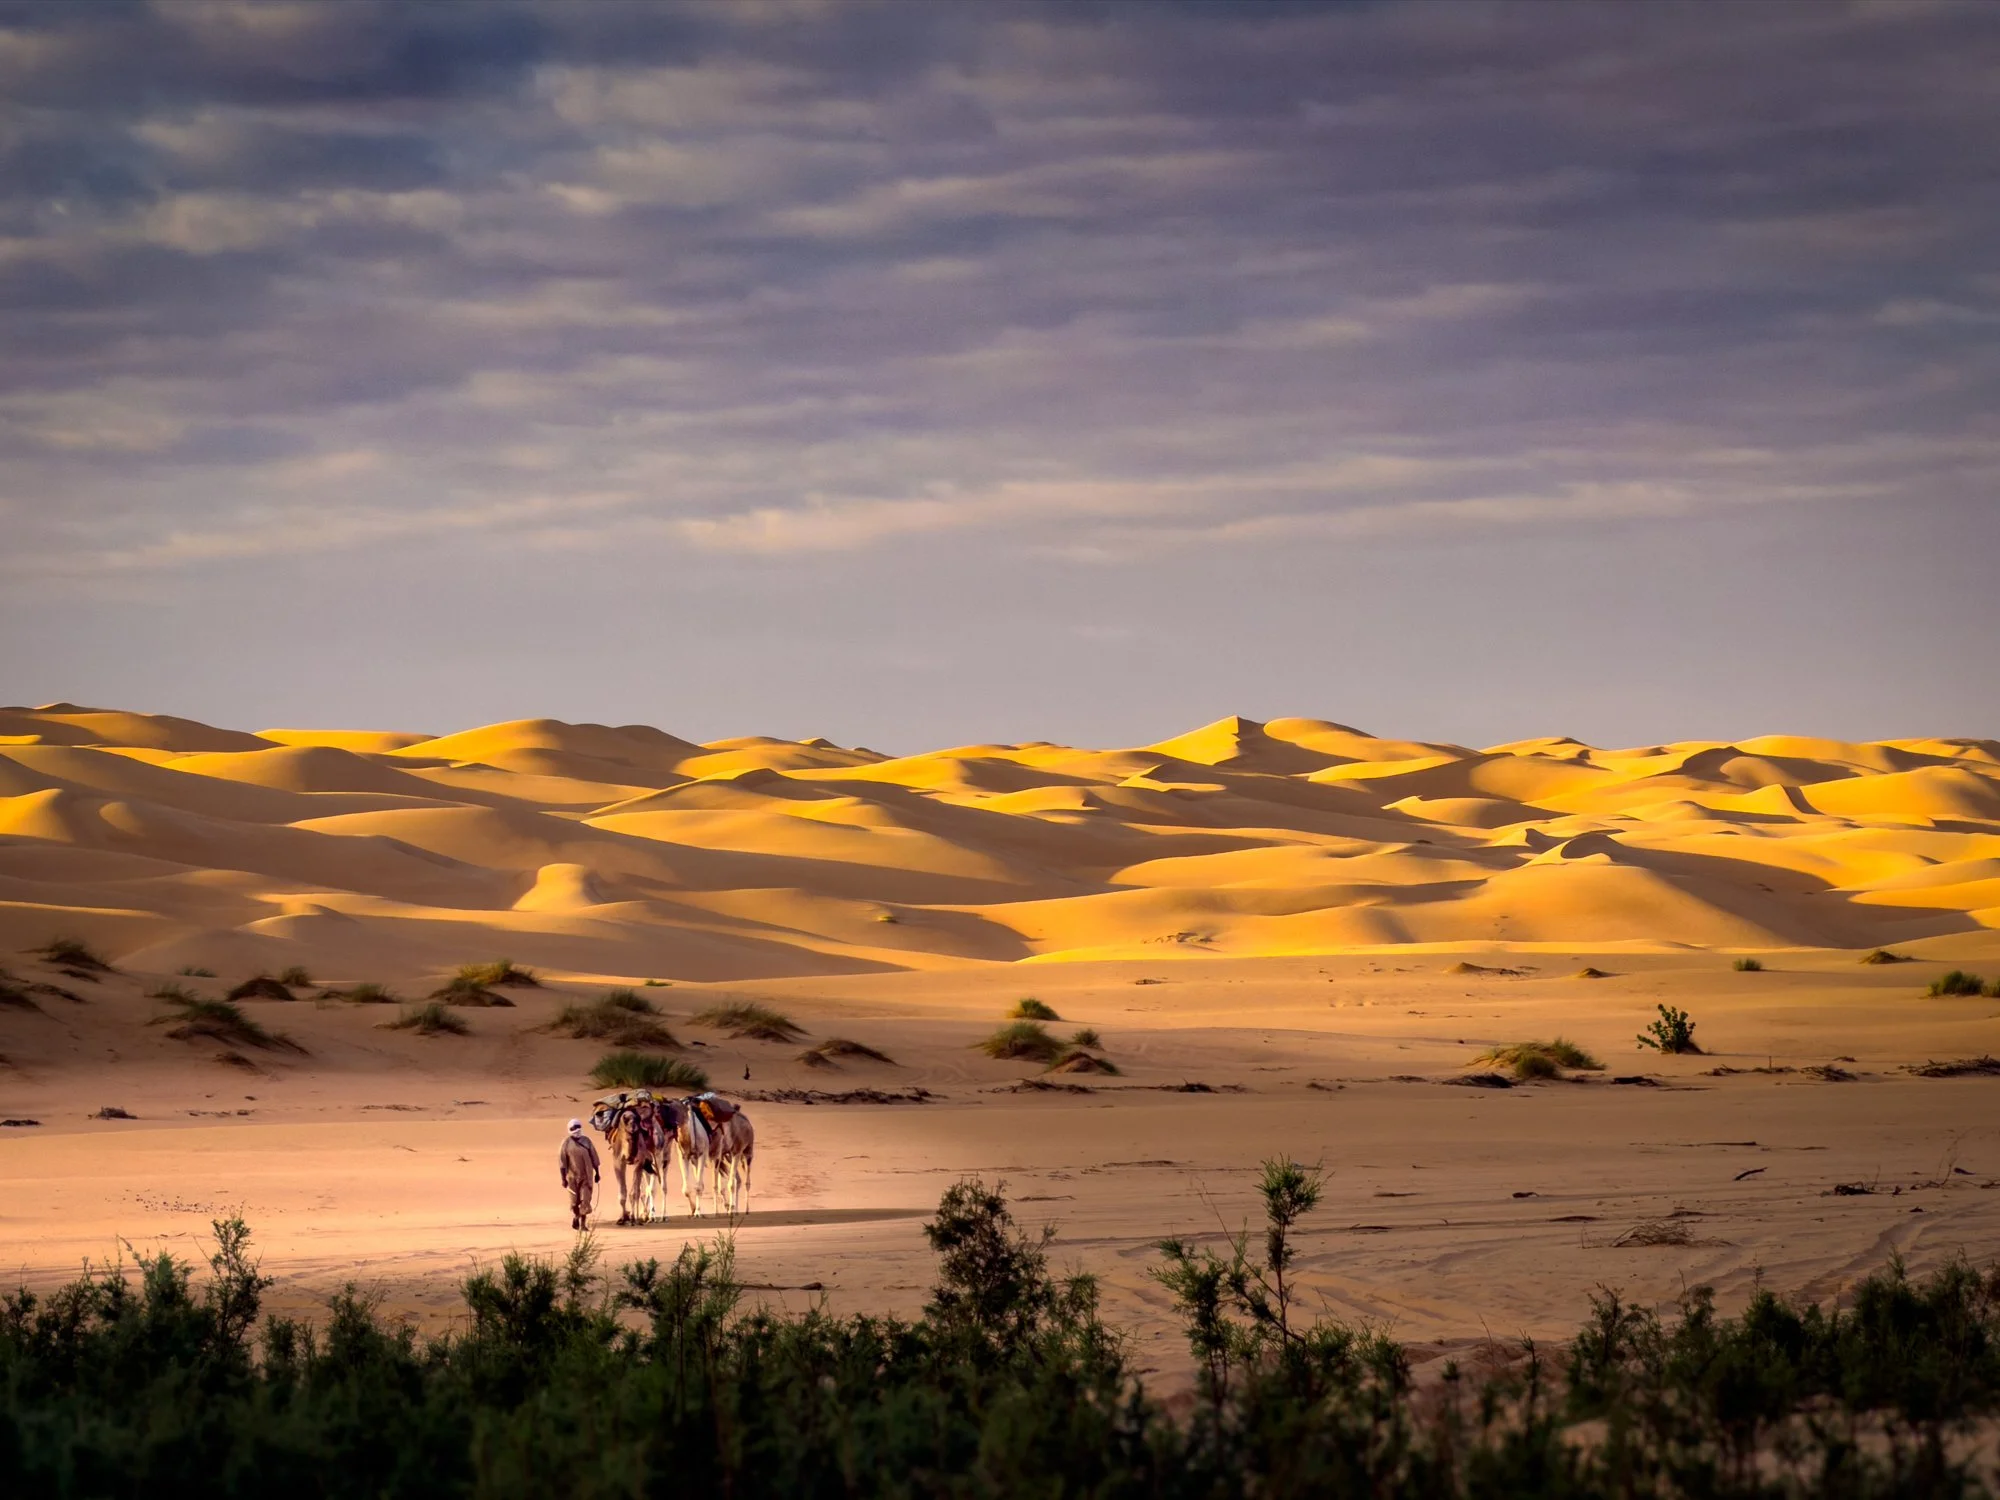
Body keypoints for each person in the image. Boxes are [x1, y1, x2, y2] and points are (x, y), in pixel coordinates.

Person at [559, 1118, 601, 1230]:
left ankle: (582, 1225)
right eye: (574, 1128)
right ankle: (576, 1216)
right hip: (572, 1177)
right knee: (574, 1202)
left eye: (578, 1127)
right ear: (569, 1129)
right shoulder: (566, 1143)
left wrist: (597, 1173)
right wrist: (563, 1179)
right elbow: (562, 1162)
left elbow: (594, 1158)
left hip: (586, 1177)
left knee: (585, 1201)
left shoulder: (587, 1141)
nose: (576, 1130)